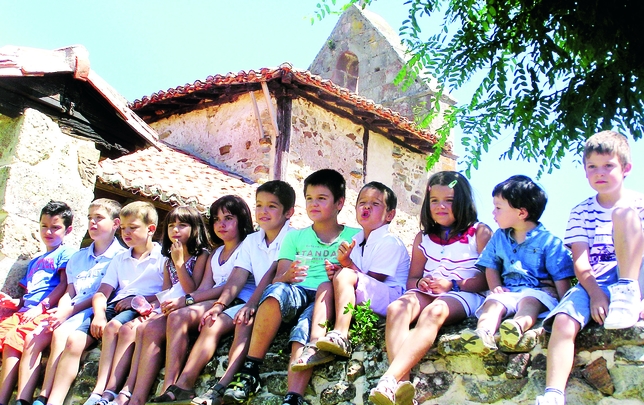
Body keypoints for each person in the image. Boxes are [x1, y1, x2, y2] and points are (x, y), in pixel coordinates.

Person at [221, 169, 360, 405]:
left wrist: (345, 267)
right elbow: (279, 278)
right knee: (274, 293)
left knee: (305, 328)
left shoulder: (354, 236)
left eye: (321, 198)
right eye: (309, 198)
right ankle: (250, 370)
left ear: (339, 203)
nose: (313, 204)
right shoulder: (295, 238)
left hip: (325, 296)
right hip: (296, 291)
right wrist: (289, 275)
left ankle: (292, 396)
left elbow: (360, 277)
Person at [160, 181, 296, 405]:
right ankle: (183, 384)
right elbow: (237, 278)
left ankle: (223, 385)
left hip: (278, 300)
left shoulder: (293, 237)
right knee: (213, 322)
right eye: (259, 205)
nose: (263, 211)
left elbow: (273, 276)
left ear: (288, 212)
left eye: (272, 206)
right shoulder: (252, 241)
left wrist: (250, 304)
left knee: (244, 321)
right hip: (255, 301)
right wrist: (218, 306)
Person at [535, 131, 644, 405]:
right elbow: (581, 261)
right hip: (596, 278)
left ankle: (629, 293)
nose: (600, 173)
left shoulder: (639, 203)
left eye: (608, 165)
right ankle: (553, 394)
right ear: (585, 173)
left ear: (626, 168)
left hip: (634, 271)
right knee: (563, 321)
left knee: (622, 212)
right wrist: (595, 294)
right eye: (592, 167)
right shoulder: (580, 211)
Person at [369, 171, 492, 405]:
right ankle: (401, 386)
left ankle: (389, 379)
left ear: (462, 201)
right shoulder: (422, 238)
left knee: (433, 313)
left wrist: (452, 284)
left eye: (449, 200)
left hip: (463, 293)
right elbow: (412, 279)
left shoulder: (480, 232)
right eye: (435, 201)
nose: (440, 206)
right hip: (429, 292)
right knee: (397, 309)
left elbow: (487, 279)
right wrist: (420, 283)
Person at [13, 199, 125, 405]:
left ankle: (45, 396)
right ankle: (27, 398)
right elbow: (69, 290)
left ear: (116, 224)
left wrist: (68, 312)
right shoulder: (79, 257)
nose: (92, 223)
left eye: (99, 218)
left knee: (62, 333)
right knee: (40, 333)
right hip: (71, 307)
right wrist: (61, 311)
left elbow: (103, 293)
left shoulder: (120, 257)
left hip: (92, 309)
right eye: (90, 218)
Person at [56, 201, 164, 405]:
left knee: (114, 327)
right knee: (74, 339)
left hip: (139, 307)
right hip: (114, 306)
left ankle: (104, 390)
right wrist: (99, 315)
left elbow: (167, 292)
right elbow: (101, 293)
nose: (126, 233)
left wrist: (138, 300)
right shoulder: (120, 258)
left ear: (150, 229)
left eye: (133, 228)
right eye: (123, 228)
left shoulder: (161, 258)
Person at [148, 195, 254, 403]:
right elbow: (206, 286)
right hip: (214, 299)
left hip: (237, 299)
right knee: (175, 317)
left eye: (228, 218)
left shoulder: (246, 247)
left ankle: (181, 385)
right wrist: (184, 301)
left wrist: (185, 301)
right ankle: (170, 386)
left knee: (183, 315)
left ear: (242, 220)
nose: (220, 224)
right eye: (216, 219)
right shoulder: (216, 253)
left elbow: (229, 286)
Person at [101, 206, 211, 405]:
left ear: (195, 229)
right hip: (167, 306)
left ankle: (142, 395)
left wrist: (179, 263)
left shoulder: (201, 255)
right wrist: (151, 307)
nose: (175, 230)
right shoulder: (168, 259)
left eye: (182, 225)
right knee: (137, 328)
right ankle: (128, 391)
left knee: (149, 330)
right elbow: (167, 290)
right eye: (171, 225)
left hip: (186, 305)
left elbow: (191, 289)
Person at [461, 175, 574, 355]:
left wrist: (563, 304)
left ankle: (517, 326)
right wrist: (496, 287)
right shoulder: (499, 237)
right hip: (509, 291)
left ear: (521, 213)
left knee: (529, 302)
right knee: (493, 303)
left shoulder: (549, 242)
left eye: (498, 208)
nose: (493, 213)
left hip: (538, 292)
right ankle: (483, 333)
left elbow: (561, 276)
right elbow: (491, 264)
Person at [0, 200, 76, 405]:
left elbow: (63, 285)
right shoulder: (35, 261)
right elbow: (29, 293)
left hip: (45, 310)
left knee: (15, 339)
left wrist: (40, 307)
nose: (48, 232)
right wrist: (14, 301)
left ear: (67, 230)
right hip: (26, 309)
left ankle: (14, 399)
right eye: (44, 226)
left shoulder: (66, 254)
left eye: (55, 227)